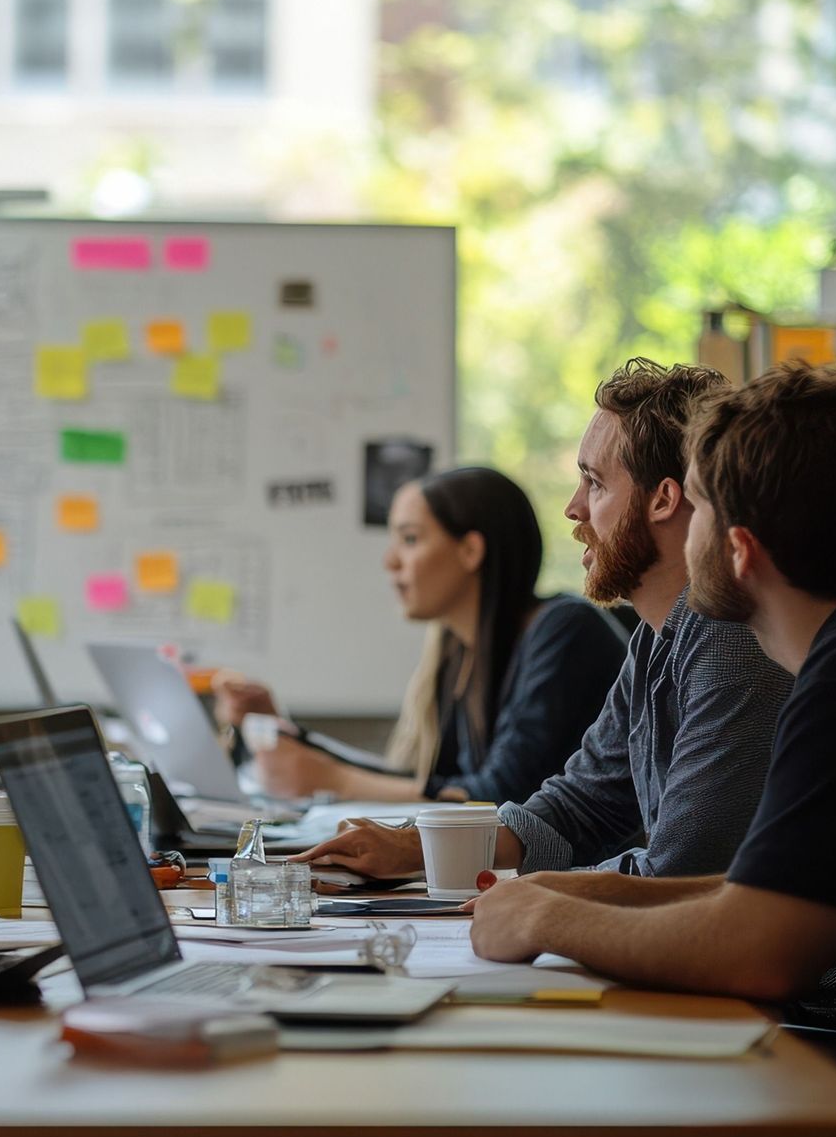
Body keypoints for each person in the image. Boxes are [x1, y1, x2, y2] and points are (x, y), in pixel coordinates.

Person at [469, 363, 836, 1051]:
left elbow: (759, 949)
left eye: (701, 507)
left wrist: (546, 920)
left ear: (738, 548)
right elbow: (758, 894)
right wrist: (557, 895)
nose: (687, 534)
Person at [298, 359, 792, 881]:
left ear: (664, 499)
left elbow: (680, 873)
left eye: (595, 483)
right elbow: (579, 805)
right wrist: (417, 849)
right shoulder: (656, 639)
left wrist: (535, 900)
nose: (573, 508)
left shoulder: (731, 639)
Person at [215, 467, 625, 804]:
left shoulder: (565, 630)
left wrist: (335, 780)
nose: (390, 561)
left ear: (470, 552)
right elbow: (428, 782)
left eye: (410, 539)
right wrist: (286, 731)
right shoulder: (458, 652)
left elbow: (501, 796)